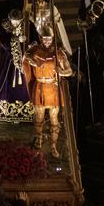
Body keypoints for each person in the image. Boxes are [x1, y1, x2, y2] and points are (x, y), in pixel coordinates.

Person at [24, 28, 73, 157]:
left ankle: (53, 145)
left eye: (49, 38)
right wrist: (31, 60)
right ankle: (39, 138)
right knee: (39, 117)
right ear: (41, 39)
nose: (46, 41)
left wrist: (61, 72)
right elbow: (25, 56)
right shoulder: (34, 51)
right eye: (44, 38)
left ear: (52, 39)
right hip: (39, 87)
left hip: (52, 88)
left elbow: (69, 71)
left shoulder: (59, 52)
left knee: (53, 118)